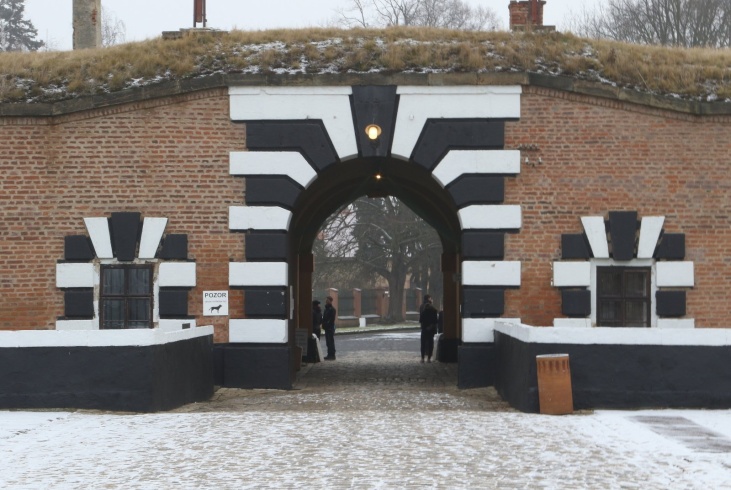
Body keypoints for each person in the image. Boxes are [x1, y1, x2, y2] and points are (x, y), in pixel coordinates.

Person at [419, 295, 438, 363]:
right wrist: (431, 326)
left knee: (423, 343)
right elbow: (436, 321)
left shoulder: (423, 310)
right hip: (431, 329)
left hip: (424, 329)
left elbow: (420, 320)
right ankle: (429, 358)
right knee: (430, 343)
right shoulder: (434, 311)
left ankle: (422, 358)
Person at [322, 296, 337, 360]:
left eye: (327, 300)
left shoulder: (332, 309)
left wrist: (327, 325)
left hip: (330, 328)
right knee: (328, 342)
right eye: (326, 300)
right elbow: (324, 318)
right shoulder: (326, 309)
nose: (326, 301)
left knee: (331, 341)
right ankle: (329, 354)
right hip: (326, 327)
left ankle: (332, 355)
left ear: (330, 301)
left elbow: (331, 319)